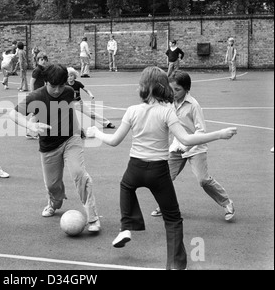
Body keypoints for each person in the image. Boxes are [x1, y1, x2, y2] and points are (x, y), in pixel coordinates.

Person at [86, 66, 237, 270]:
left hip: (135, 168)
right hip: (158, 171)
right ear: (163, 87)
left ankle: (126, 227)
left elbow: (113, 141)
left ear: (143, 87)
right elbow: (186, 138)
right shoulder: (167, 112)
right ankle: (175, 265)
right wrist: (219, 134)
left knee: (126, 187)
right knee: (173, 219)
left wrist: (96, 132)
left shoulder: (132, 111)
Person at [8, 64, 101, 233]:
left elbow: (70, 109)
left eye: (61, 85)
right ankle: (54, 203)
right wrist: (30, 125)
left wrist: (79, 129)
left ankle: (93, 218)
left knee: (80, 174)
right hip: (49, 145)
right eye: (53, 86)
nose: (57, 90)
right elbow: (13, 114)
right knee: (52, 185)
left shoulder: (68, 91)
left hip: (71, 139)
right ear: (46, 82)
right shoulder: (36, 96)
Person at [149, 71, 235, 221]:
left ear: (187, 89)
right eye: (171, 89)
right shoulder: (168, 102)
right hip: (176, 148)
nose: (173, 93)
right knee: (164, 178)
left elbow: (201, 130)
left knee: (203, 180)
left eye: (177, 89)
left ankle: (227, 203)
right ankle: (165, 206)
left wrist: (187, 146)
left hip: (195, 148)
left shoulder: (193, 105)